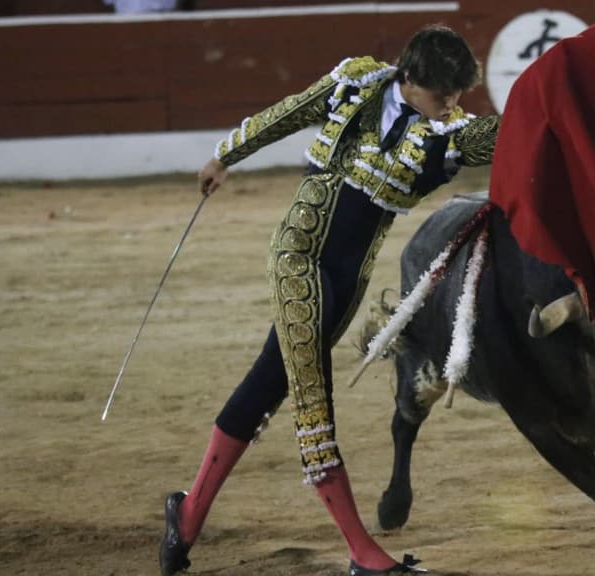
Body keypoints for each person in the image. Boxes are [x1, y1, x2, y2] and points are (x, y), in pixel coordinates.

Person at [160, 25, 499, 576]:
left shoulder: (451, 133)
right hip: (298, 255)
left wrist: (551, 107)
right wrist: (225, 154)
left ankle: (188, 515)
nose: (451, 106)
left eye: (458, 96)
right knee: (312, 398)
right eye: (443, 95)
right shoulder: (354, 82)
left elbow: (499, 134)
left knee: (268, 381)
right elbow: (287, 112)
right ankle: (363, 554)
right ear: (410, 78)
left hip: (348, 280)